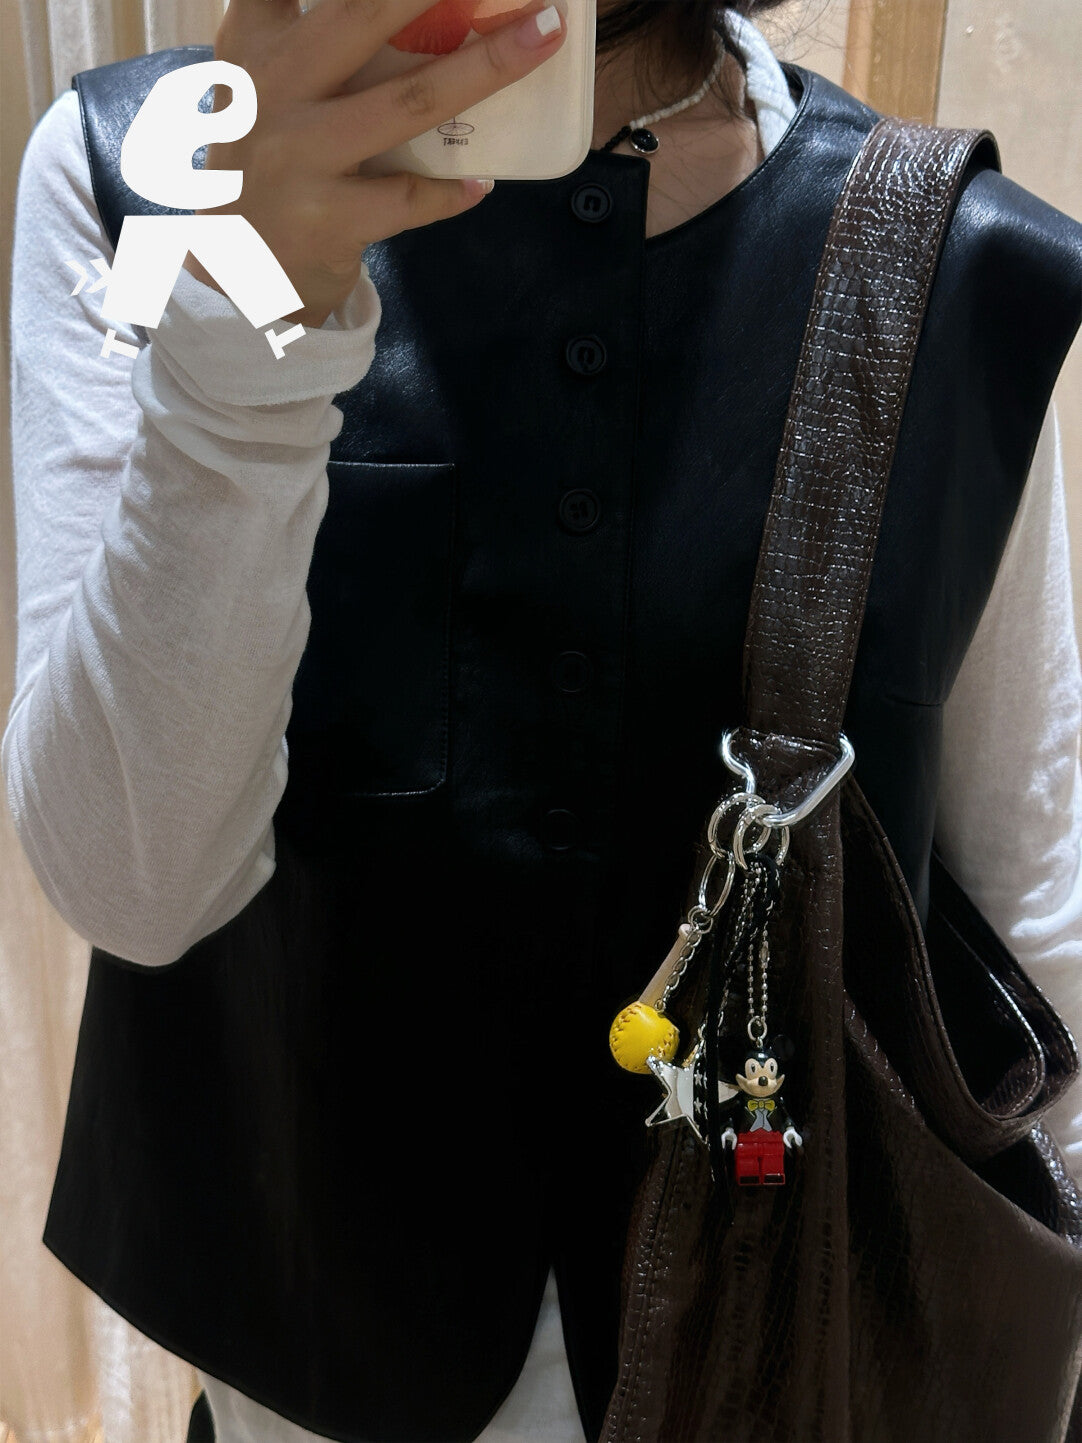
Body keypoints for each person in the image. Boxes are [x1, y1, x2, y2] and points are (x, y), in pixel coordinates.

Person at [6, 2, 1082, 1441]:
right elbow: (131, 884)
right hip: (313, 1375)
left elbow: (1033, 897)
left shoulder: (936, 256)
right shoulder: (143, 178)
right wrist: (246, 347)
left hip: (782, 1350)